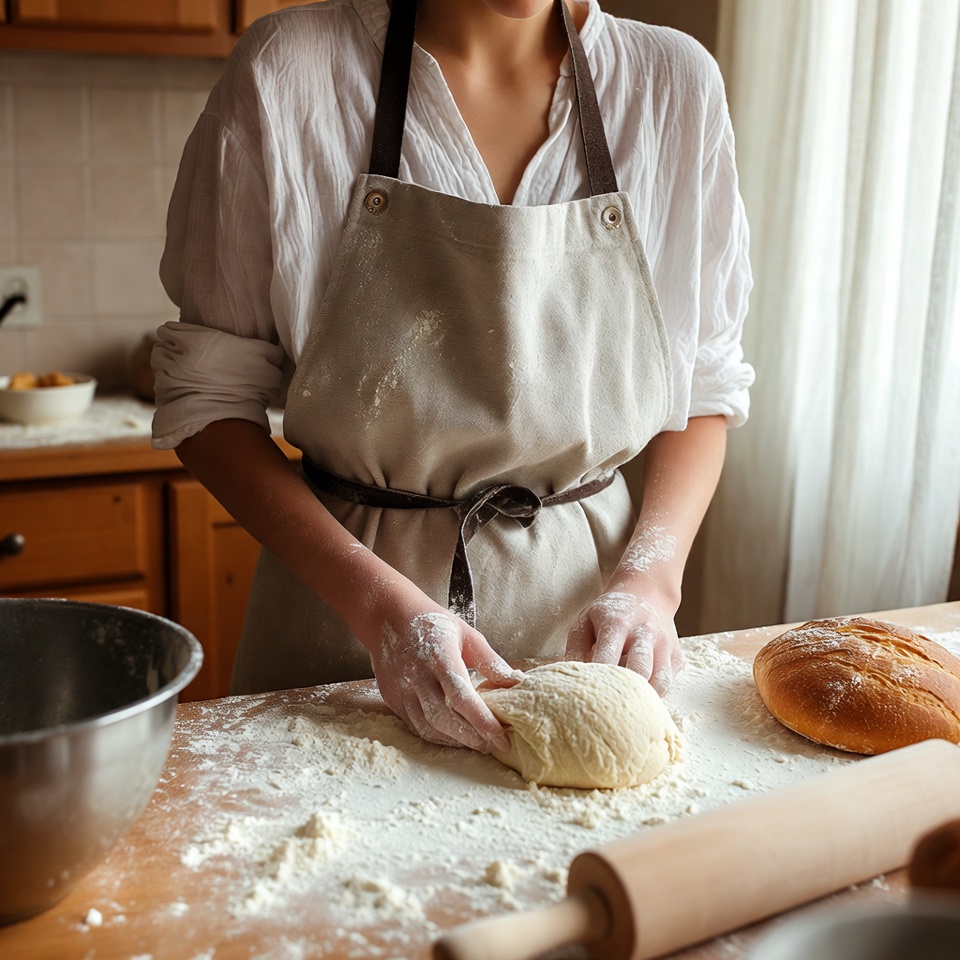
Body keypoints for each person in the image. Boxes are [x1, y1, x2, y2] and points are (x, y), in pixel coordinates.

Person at [152, 0, 754, 756]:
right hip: (343, 629)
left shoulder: (672, 84)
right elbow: (208, 403)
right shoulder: (292, 70)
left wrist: (651, 580)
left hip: (588, 630)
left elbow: (700, 390)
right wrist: (379, 608)